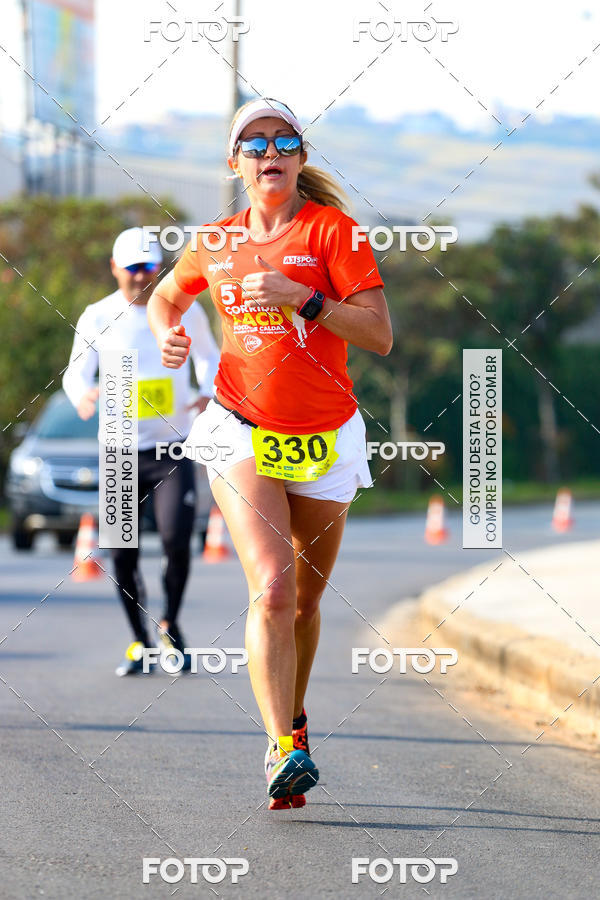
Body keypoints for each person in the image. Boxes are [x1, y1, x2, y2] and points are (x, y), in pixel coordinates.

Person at [147, 98, 392, 808]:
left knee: (307, 603)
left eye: (284, 141)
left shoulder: (333, 232)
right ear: (236, 164)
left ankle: (295, 719)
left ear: (301, 158)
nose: (270, 153)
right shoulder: (214, 242)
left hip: (325, 434)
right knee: (274, 590)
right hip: (241, 427)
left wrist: (301, 297)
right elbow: (166, 298)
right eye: (254, 145)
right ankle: (282, 747)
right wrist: (169, 336)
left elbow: (379, 335)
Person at [63, 227, 220, 676]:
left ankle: (170, 624)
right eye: (132, 268)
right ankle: (139, 641)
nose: (141, 276)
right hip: (118, 451)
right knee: (122, 551)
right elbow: (76, 372)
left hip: (171, 448)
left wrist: (207, 392)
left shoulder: (182, 309)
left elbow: (211, 358)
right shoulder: (97, 316)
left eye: (149, 267)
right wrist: (82, 394)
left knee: (176, 540)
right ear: (115, 268)